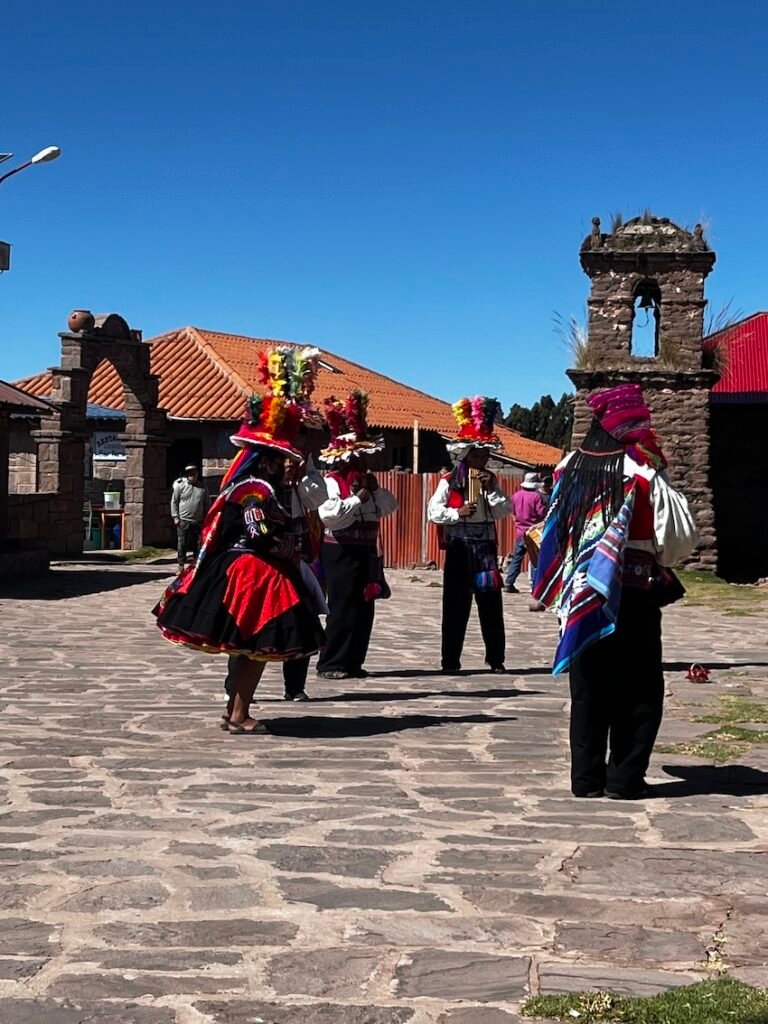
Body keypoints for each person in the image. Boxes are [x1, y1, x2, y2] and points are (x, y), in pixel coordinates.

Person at [533, 384, 699, 799]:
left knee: (588, 687)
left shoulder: (567, 467)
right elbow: (677, 540)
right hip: (634, 595)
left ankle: (585, 779)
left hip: (581, 595)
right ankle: (624, 779)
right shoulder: (643, 472)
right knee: (639, 687)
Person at [154, 392, 326, 735]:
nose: (286, 466)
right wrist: (286, 547)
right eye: (281, 460)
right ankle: (238, 714)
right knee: (254, 648)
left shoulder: (253, 487)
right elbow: (258, 532)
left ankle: (234, 709)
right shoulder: (255, 489)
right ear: (266, 461)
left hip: (249, 569)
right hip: (252, 573)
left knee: (250, 648)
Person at [315, 391, 399, 680]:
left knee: (365, 608)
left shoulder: (369, 484)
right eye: (359, 458)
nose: (363, 464)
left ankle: (353, 661)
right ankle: (331, 662)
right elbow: (330, 516)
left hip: (365, 551)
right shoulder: (331, 482)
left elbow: (390, 505)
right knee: (342, 607)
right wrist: (356, 500)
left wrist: (372, 491)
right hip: (340, 551)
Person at [428, 396, 512, 674]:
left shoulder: (490, 482)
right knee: (455, 606)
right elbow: (433, 512)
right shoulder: (450, 481)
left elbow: (503, 511)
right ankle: (450, 660)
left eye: (485, 454)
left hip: (485, 549)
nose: (483, 459)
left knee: (491, 606)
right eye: (477, 454)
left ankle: (496, 658)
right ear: (466, 455)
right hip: (459, 549)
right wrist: (457, 513)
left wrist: (491, 490)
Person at [503, 472, 548, 594]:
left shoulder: (516, 496)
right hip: (534, 532)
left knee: (517, 558)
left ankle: (509, 582)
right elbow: (541, 513)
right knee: (535, 560)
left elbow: (512, 512)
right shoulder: (537, 497)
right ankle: (535, 585)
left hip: (520, 532)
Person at [171, 465, 210, 572]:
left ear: (197, 474)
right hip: (183, 520)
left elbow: (207, 504)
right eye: (190, 473)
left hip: (198, 521)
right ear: (187, 475)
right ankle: (181, 565)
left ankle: (196, 565)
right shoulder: (180, 486)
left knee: (197, 544)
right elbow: (174, 502)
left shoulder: (202, 488)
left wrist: (207, 518)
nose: (192, 475)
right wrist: (175, 516)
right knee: (182, 543)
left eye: (194, 473)